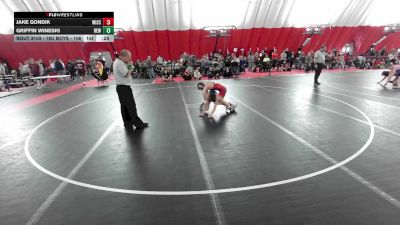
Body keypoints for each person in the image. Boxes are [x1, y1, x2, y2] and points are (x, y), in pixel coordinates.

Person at [114, 49, 148, 130]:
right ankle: (138, 123)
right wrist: (129, 66)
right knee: (131, 106)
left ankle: (127, 123)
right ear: (122, 57)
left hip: (121, 87)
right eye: (128, 57)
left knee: (125, 107)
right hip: (124, 88)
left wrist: (129, 65)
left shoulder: (117, 62)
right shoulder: (120, 63)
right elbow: (126, 75)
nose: (130, 58)